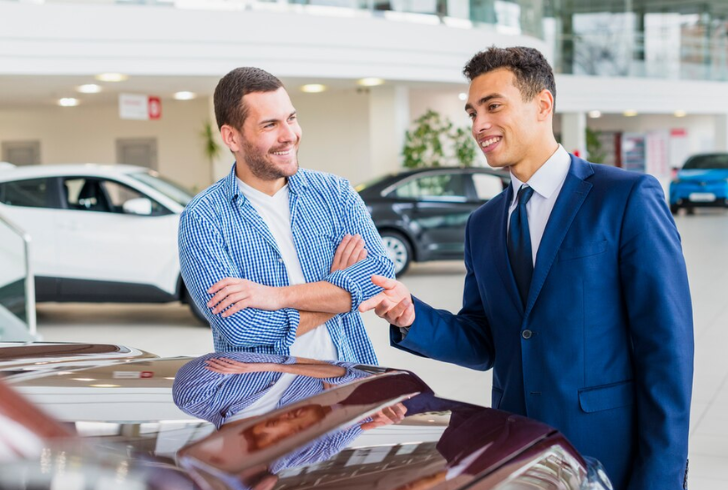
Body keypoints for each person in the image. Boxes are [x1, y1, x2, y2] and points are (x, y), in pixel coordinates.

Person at [360, 46, 693, 490]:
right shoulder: (482, 225)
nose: (479, 125)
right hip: (514, 456)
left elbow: (667, 351)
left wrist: (661, 479)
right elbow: (484, 340)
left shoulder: (624, 198)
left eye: (493, 106)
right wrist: (410, 314)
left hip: (606, 456)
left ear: (542, 105)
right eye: (472, 112)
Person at [178, 67, 395, 364]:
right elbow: (240, 328)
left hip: (350, 389)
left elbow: (380, 276)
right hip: (260, 401)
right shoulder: (203, 219)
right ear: (232, 137)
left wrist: (275, 296)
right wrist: (337, 292)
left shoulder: (336, 193)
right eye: (270, 125)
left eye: (291, 118)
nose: (289, 135)